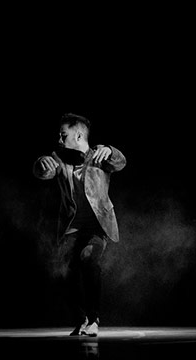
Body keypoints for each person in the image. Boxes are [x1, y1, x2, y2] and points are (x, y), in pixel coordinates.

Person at [33, 113, 126, 336]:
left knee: (88, 259)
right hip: (72, 227)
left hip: (98, 227)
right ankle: (81, 318)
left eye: (63, 135)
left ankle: (94, 319)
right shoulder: (59, 158)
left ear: (78, 135)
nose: (59, 139)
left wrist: (111, 150)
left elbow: (121, 162)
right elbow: (43, 172)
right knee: (64, 267)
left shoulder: (99, 155)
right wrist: (40, 164)